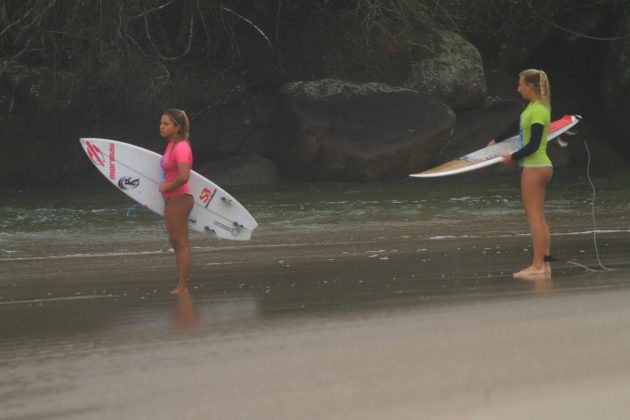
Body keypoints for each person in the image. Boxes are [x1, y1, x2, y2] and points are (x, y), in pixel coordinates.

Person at [488, 69, 552, 277]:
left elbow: (533, 144)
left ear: (530, 86)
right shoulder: (532, 108)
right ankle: (544, 265)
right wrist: (497, 140)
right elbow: (516, 126)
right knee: (538, 217)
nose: (518, 88)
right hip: (538, 166)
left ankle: (538, 266)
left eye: (520, 84)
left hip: (535, 166)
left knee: (533, 217)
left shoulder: (539, 110)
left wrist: (512, 158)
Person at [159, 108, 194, 293]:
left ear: (177, 126)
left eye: (166, 124)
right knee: (176, 242)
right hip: (173, 198)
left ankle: (182, 286)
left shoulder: (181, 147)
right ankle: (181, 283)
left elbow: (183, 176)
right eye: (161, 123)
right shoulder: (170, 145)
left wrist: (167, 187)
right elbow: (169, 172)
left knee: (180, 242)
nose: (161, 127)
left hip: (180, 198)